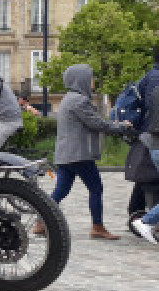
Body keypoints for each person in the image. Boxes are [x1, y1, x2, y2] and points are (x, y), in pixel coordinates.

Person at [46, 64, 133, 240]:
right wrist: (122, 126)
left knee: (61, 190)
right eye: (91, 78)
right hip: (79, 154)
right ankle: (97, 227)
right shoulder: (79, 100)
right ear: (81, 79)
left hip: (65, 154)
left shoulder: (67, 99)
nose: (93, 81)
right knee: (96, 188)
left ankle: (41, 221)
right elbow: (97, 124)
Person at [127, 46, 159, 225]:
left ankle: (136, 215)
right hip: (153, 135)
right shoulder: (156, 79)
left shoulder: (148, 77)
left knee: (146, 177)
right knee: (151, 180)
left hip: (146, 134)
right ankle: (147, 221)